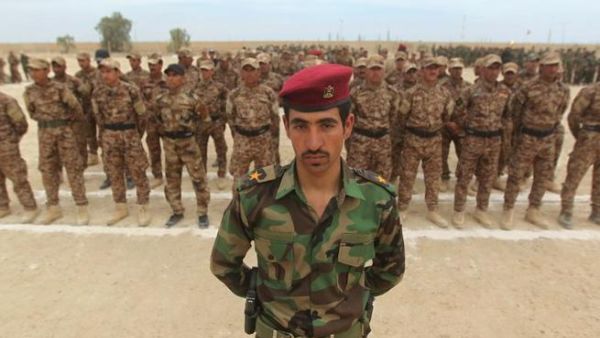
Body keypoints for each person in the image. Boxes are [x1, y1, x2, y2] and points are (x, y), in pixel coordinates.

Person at [210, 63, 405, 338]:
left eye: (327, 125)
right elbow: (224, 263)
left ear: (347, 126)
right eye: (301, 126)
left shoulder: (376, 199)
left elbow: (390, 270)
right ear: (287, 126)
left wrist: (349, 297)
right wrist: (266, 290)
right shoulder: (255, 195)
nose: (314, 143)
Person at [502, 52, 570, 229]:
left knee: (542, 176)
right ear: (542, 67)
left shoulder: (563, 90)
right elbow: (514, 111)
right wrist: (520, 133)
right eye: (550, 65)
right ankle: (508, 209)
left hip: (548, 138)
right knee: (516, 175)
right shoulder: (527, 88)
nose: (553, 69)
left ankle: (533, 209)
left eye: (556, 65)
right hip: (527, 138)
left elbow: (560, 112)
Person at [23, 58, 89, 225]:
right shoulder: (29, 91)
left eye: (37, 70)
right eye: (31, 70)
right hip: (45, 134)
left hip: (64, 133)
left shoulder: (60, 89)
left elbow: (76, 109)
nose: (33, 73)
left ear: (46, 71)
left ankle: (81, 206)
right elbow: (32, 112)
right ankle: (53, 207)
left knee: (73, 168)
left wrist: (69, 127)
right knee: (48, 170)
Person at [451, 54, 511, 228]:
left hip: (494, 140)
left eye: (496, 68)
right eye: (490, 68)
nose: (494, 72)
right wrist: (468, 127)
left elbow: (507, 116)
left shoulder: (505, 92)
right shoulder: (471, 90)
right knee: (464, 176)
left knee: (487, 177)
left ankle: (481, 209)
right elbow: (458, 112)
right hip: (473, 139)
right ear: (483, 69)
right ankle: (459, 210)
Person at [92, 58, 151, 226]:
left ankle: (143, 206)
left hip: (130, 135)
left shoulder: (131, 90)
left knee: (138, 172)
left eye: (109, 71)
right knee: (115, 173)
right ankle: (121, 207)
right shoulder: (98, 93)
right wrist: (106, 137)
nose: (105, 75)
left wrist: (135, 134)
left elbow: (142, 116)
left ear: (118, 72)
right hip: (110, 137)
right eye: (103, 72)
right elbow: (99, 118)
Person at [397, 56, 454, 227]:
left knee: (433, 178)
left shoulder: (445, 94)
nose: (432, 71)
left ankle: (432, 210)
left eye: (435, 68)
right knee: (407, 176)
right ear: (421, 71)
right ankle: (402, 208)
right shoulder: (410, 94)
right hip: (413, 140)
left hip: (434, 141)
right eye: (429, 68)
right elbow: (401, 118)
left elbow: (446, 117)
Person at [154, 64, 211, 228]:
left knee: (198, 178)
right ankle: (177, 210)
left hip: (189, 144)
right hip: (170, 144)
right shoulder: (160, 100)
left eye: (175, 75)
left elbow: (205, 121)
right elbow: (157, 120)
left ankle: (202, 211)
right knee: (172, 179)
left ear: (183, 78)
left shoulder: (193, 99)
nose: (171, 78)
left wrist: (193, 135)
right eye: (168, 75)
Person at [226, 58, 279, 188]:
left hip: (263, 141)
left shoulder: (268, 93)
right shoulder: (234, 94)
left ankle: (263, 207)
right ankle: (239, 207)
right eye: (246, 70)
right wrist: (239, 136)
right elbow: (230, 118)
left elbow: (275, 118)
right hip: (242, 141)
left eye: (253, 70)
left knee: (265, 179)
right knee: (239, 179)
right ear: (241, 73)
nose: (249, 74)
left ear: (259, 72)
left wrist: (270, 140)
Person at [347, 55, 400, 180]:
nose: (375, 73)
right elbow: (349, 119)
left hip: (383, 144)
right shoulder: (355, 92)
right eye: (372, 69)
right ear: (366, 71)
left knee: (381, 182)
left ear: (384, 71)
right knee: (356, 181)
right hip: (360, 144)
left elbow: (394, 118)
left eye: (378, 69)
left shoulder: (392, 93)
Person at [558, 81, 600, 228]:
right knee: (575, 175)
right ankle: (566, 210)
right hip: (589, 138)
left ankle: (597, 210)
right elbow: (574, 116)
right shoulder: (590, 91)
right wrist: (581, 136)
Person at [0, 91, 39, 223]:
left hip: (6, 147)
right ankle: (3, 206)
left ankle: (29, 207)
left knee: (18, 178)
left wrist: (11, 140)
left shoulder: (6, 100)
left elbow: (21, 123)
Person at [195, 59, 229, 187]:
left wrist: (222, 120)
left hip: (216, 122)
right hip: (201, 123)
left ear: (212, 72)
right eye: (202, 70)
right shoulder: (195, 87)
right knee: (200, 150)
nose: (204, 73)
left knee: (221, 148)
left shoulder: (220, 87)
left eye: (206, 70)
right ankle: (202, 176)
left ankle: (221, 174)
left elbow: (227, 104)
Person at [139, 53, 168, 189]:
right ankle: (157, 176)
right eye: (149, 65)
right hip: (151, 123)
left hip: (167, 122)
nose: (152, 67)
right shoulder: (144, 82)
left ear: (161, 64)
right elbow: (140, 100)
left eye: (154, 64)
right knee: (154, 150)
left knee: (170, 150)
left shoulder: (168, 80)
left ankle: (172, 175)